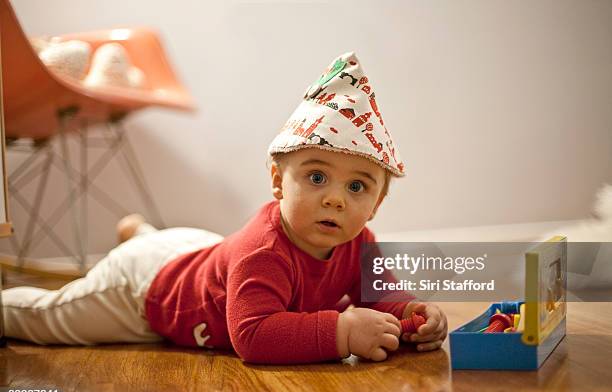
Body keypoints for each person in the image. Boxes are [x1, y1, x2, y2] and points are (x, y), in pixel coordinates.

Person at [2, 52, 447, 364]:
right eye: (316, 178)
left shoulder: (359, 242)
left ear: (375, 206)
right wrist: (343, 332)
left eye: (357, 186)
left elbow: (380, 295)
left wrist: (410, 313)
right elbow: (253, 336)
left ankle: (142, 233)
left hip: (203, 252)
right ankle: (129, 246)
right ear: (277, 181)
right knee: (47, 318)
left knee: (209, 257)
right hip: (146, 292)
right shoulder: (263, 251)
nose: (335, 198)